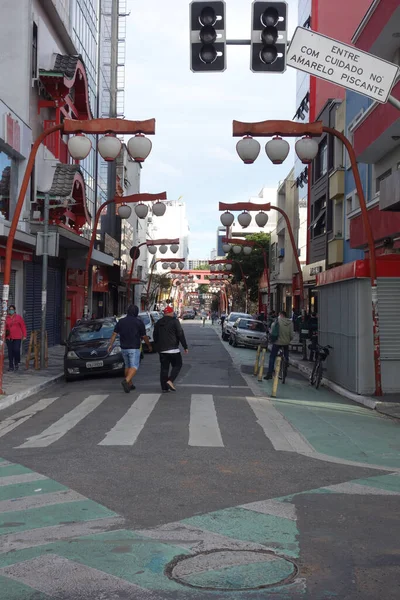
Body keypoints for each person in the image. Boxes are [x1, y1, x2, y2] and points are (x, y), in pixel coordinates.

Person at [108, 304, 152, 393]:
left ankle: (130, 384)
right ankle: (126, 381)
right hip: (134, 347)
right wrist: (149, 345)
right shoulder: (139, 322)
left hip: (124, 347)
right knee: (134, 366)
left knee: (127, 366)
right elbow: (144, 336)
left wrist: (110, 345)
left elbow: (114, 334)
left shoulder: (121, 321)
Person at [153, 306, 188, 393]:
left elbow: (155, 336)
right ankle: (170, 380)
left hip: (162, 350)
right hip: (173, 349)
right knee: (178, 365)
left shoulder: (158, 322)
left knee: (164, 368)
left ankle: (164, 388)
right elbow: (180, 334)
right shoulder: (175, 321)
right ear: (171, 313)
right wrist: (185, 346)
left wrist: (157, 347)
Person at [264, 310, 294, 380]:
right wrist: (289, 340)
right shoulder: (290, 323)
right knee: (286, 354)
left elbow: (272, 331)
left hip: (277, 342)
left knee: (272, 357)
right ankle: (286, 363)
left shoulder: (277, 321)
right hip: (286, 342)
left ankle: (269, 373)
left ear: (280, 315)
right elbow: (292, 335)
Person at [5, 305, 27, 372]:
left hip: (17, 337)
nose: (11, 311)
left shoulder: (18, 317)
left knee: (16, 350)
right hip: (9, 338)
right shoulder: (6, 318)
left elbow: (23, 326)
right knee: (10, 352)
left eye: (12, 309)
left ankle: (16, 362)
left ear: (14, 310)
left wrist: (24, 335)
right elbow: (4, 327)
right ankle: (11, 366)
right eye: (10, 309)